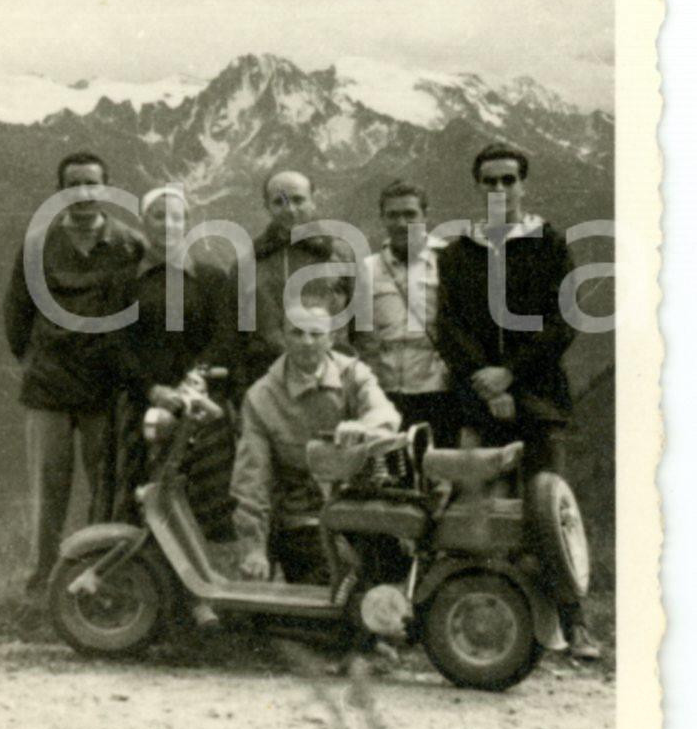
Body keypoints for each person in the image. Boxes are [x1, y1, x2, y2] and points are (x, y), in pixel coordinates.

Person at [436, 141, 601, 660]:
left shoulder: (549, 244)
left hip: (540, 402)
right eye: (490, 181)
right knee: (476, 514)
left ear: (523, 184)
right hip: (478, 404)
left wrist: (511, 376)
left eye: (509, 180)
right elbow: (450, 326)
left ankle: (576, 625)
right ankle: (484, 627)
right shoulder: (460, 251)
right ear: (478, 187)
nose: (500, 189)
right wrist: (485, 382)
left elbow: (564, 321)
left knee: (551, 514)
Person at [4, 151, 144, 597]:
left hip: (105, 388)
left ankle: (98, 578)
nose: (83, 193)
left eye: (92, 183)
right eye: (73, 184)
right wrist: (37, 361)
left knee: (104, 488)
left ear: (106, 188)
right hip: (49, 388)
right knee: (49, 490)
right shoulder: (37, 246)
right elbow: (16, 316)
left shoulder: (129, 244)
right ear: (60, 191)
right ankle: (42, 580)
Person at [230, 301, 400, 584]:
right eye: (297, 333)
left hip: (358, 503)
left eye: (316, 333)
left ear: (332, 338)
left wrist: (362, 427)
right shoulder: (261, 397)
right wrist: (254, 548)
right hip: (302, 515)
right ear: (283, 338)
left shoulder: (354, 374)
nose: (307, 342)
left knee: (396, 574)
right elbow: (251, 480)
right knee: (332, 586)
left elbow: (386, 415)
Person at [109, 185, 233, 534]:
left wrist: (194, 381)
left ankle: (200, 575)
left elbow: (224, 338)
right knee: (139, 490)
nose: (167, 224)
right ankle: (139, 573)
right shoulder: (124, 281)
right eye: (158, 216)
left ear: (187, 223)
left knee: (202, 492)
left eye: (176, 217)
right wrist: (152, 389)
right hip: (141, 403)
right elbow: (116, 344)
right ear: (143, 222)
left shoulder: (210, 278)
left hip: (201, 401)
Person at [227, 168, 355, 399]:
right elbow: (236, 337)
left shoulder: (342, 255)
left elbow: (361, 326)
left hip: (334, 382)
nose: (290, 209)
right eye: (279, 202)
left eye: (298, 199)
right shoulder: (247, 265)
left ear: (313, 201)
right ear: (267, 207)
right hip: (268, 385)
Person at [354, 179, 458, 445]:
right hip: (386, 393)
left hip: (439, 392)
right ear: (382, 218)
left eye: (410, 214)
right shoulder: (367, 269)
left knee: (440, 473)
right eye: (393, 215)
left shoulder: (450, 262)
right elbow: (361, 336)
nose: (401, 223)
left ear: (426, 215)